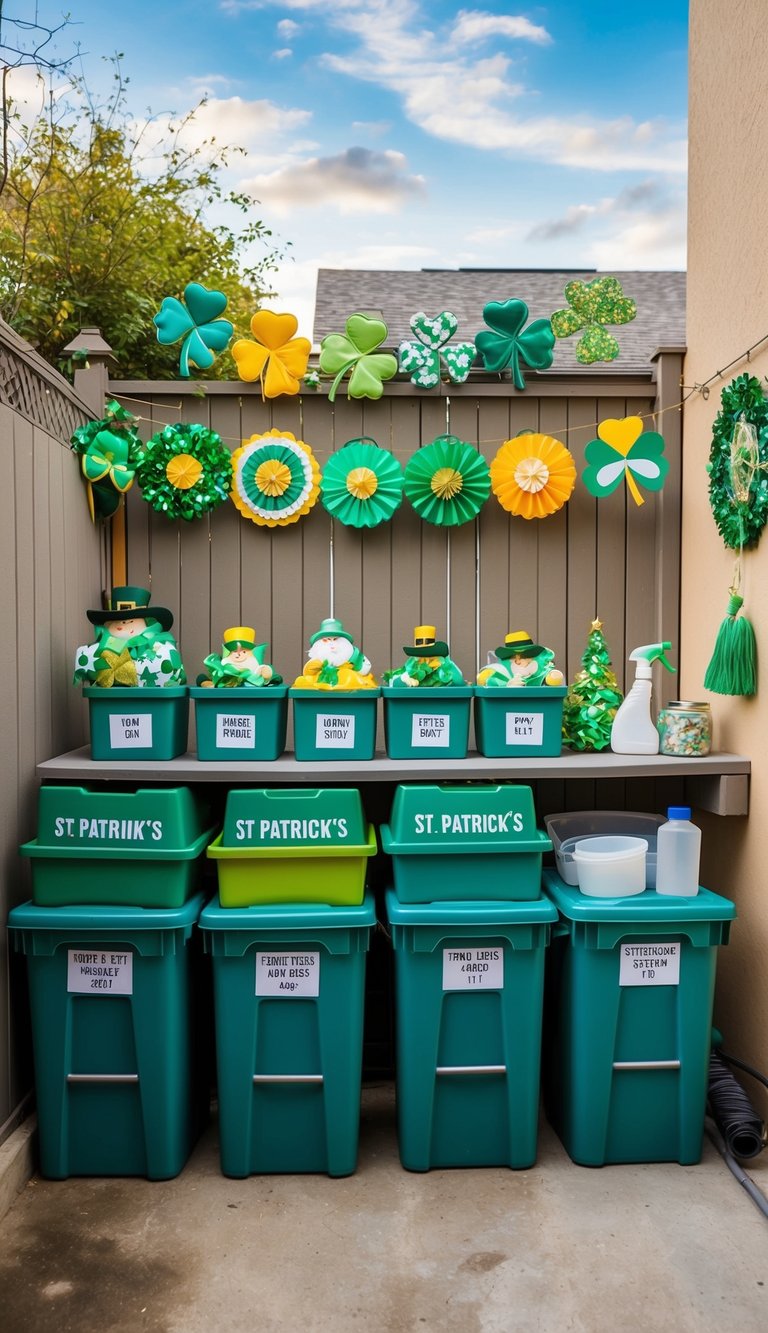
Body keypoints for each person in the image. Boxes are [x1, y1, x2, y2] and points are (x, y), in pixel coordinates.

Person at [73, 585, 185, 687]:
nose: (123, 626)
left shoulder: (158, 646)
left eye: (131, 621)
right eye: (119, 622)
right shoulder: (102, 646)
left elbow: (166, 666)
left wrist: (117, 669)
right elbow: (85, 660)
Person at [292, 618, 377, 690]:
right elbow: (308, 672)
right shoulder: (316, 662)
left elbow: (365, 667)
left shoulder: (354, 656)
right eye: (327, 640)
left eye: (335, 639)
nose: (331, 644)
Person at [385, 626, 465, 688]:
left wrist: (448, 667)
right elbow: (393, 683)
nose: (426, 660)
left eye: (428, 653)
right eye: (421, 654)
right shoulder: (412, 665)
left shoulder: (443, 664)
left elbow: (460, 683)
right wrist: (403, 679)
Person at [199, 627, 281, 688]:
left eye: (244, 652)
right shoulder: (222, 670)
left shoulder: (256, 671)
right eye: (234, 652)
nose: (238, 655)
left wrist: (267, 673)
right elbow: (203, 677)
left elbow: (276, 677)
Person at [477, 630, 564, 688]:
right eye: (513, 657)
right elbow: (489, 681)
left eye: (523, 656)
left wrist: (553, 676)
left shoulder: (539, 669)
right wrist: (507, 686)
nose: (518, 661)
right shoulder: (503, 670)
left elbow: (552, 678)